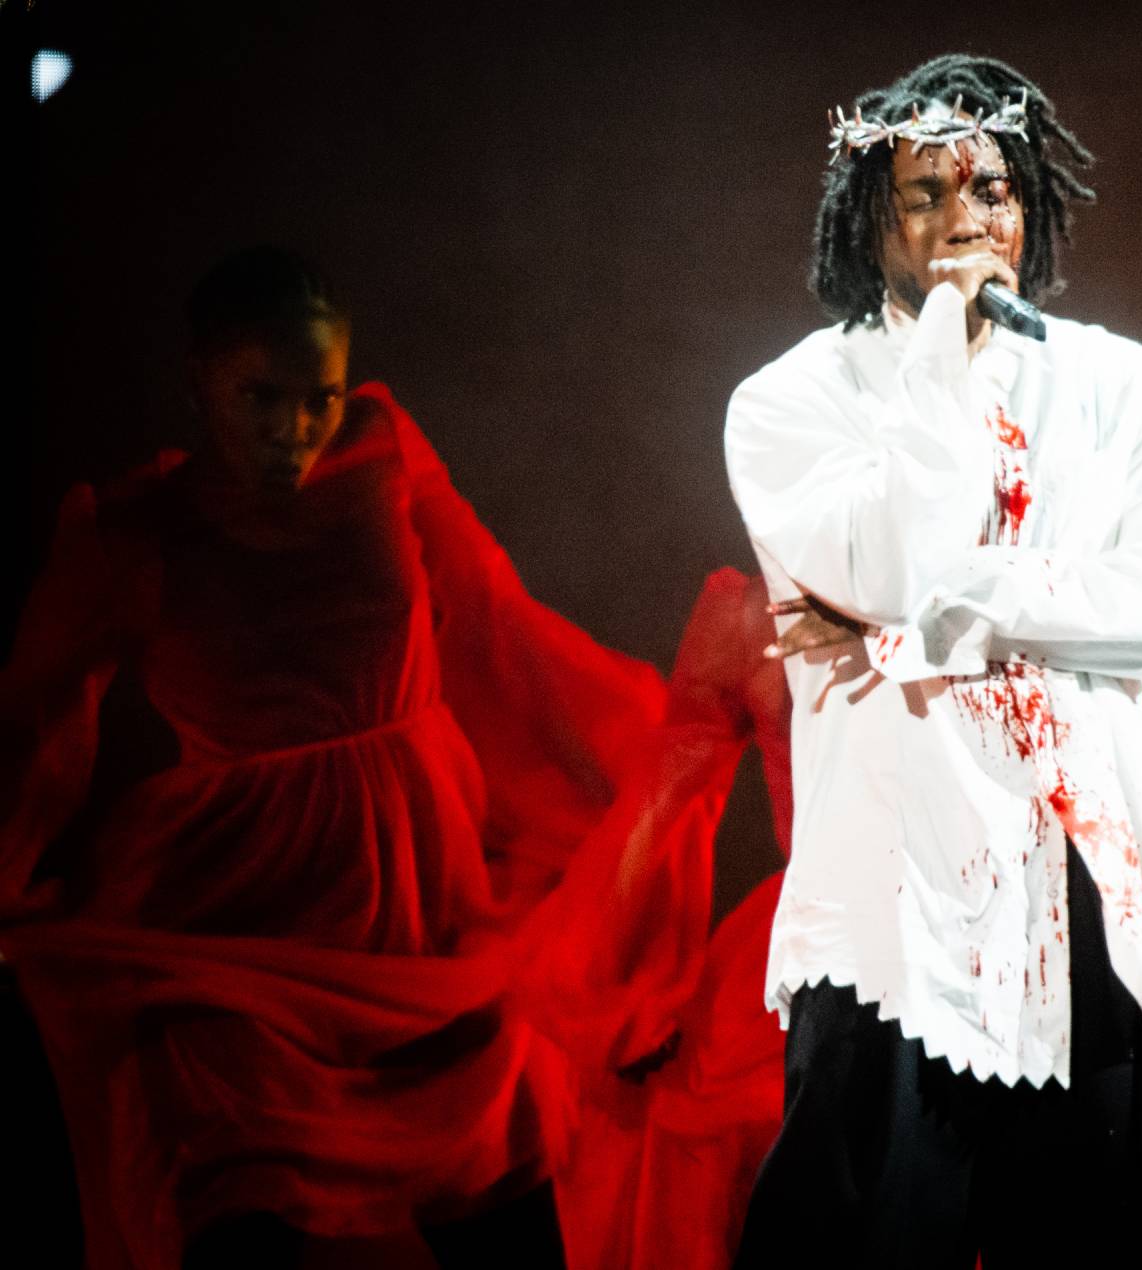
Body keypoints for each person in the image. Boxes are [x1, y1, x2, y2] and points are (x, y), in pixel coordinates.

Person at [0, 247, 732, 1268]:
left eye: (319, 397)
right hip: (245, 911)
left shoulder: (380, 456)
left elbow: (489, 613)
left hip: (422, 903)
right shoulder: (134, 532)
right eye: (262, 396)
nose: (294, 428)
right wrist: (15, 870)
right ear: (198, 379)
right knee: (246, 1187)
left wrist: (619, 753)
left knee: (498, 1170)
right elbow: (40, 718)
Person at [722, 53, 1142, 1268]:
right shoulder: (787, 401)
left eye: (995, 188)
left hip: (1090, 882)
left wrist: (935, 631)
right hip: (896, 896)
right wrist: (942, 362)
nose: (968, 216)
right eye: (926, 192)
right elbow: (900, 562)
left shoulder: (1127, 384)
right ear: (871, 215)